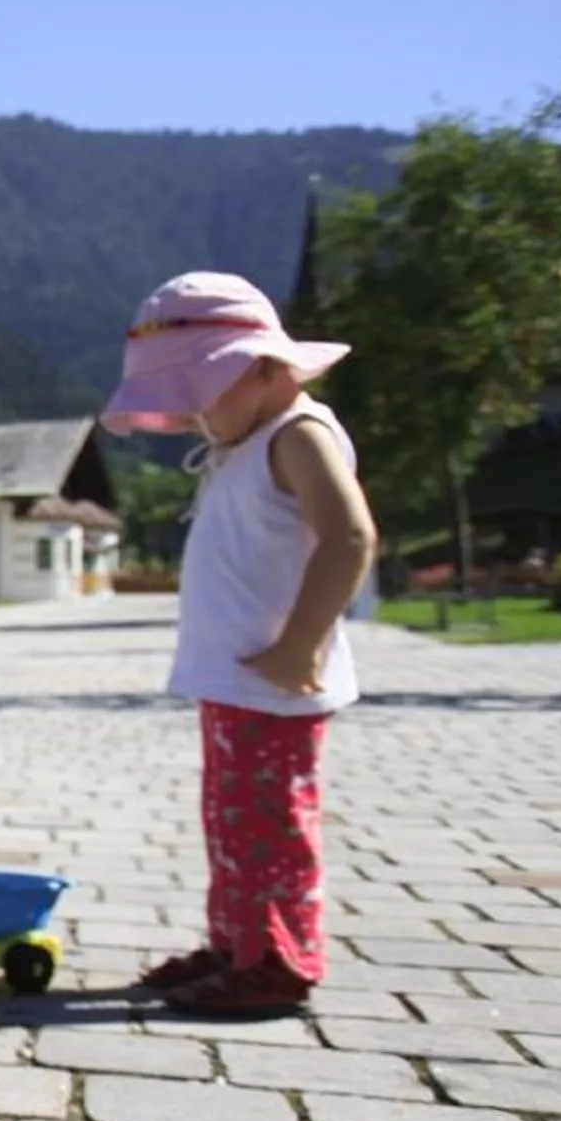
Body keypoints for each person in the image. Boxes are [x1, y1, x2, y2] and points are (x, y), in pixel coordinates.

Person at [102, 271, 376, 1014]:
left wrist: (299, 648)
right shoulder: (247, 440)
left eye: (201, 392)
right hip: (236, 680)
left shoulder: (299, 434)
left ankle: (279, 961)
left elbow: (349, 536)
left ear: (261, 366)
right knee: (232, 822)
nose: (192, 415)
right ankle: (237, 944)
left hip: (275, 680)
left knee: (271, 828)